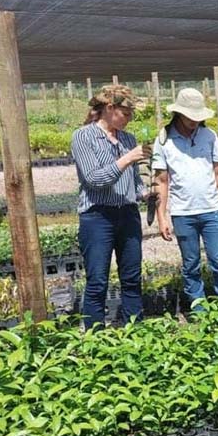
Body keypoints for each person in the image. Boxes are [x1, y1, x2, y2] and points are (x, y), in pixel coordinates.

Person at [71, 84, 150, 329]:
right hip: (97, 216)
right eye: (125, 113)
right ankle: (95, 338)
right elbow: (94, 179)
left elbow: (134, 181)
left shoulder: (128, 138)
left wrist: (147, 193)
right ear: (109, 108)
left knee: (132, 278)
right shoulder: (83, 136)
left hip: (127, 214)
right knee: (97, 281)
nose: (129, 119)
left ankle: (134, 332)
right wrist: (127, 158)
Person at [153, 88, 218, 309]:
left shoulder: (209, 136)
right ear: (179, 114)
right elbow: (161, 181)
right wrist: (162, 217)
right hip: (183, 213)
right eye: (190, 116)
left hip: (211, 210)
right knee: (190, 265)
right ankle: (198, 312)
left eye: (197, 116)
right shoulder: (164, 141)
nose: (194, 121)